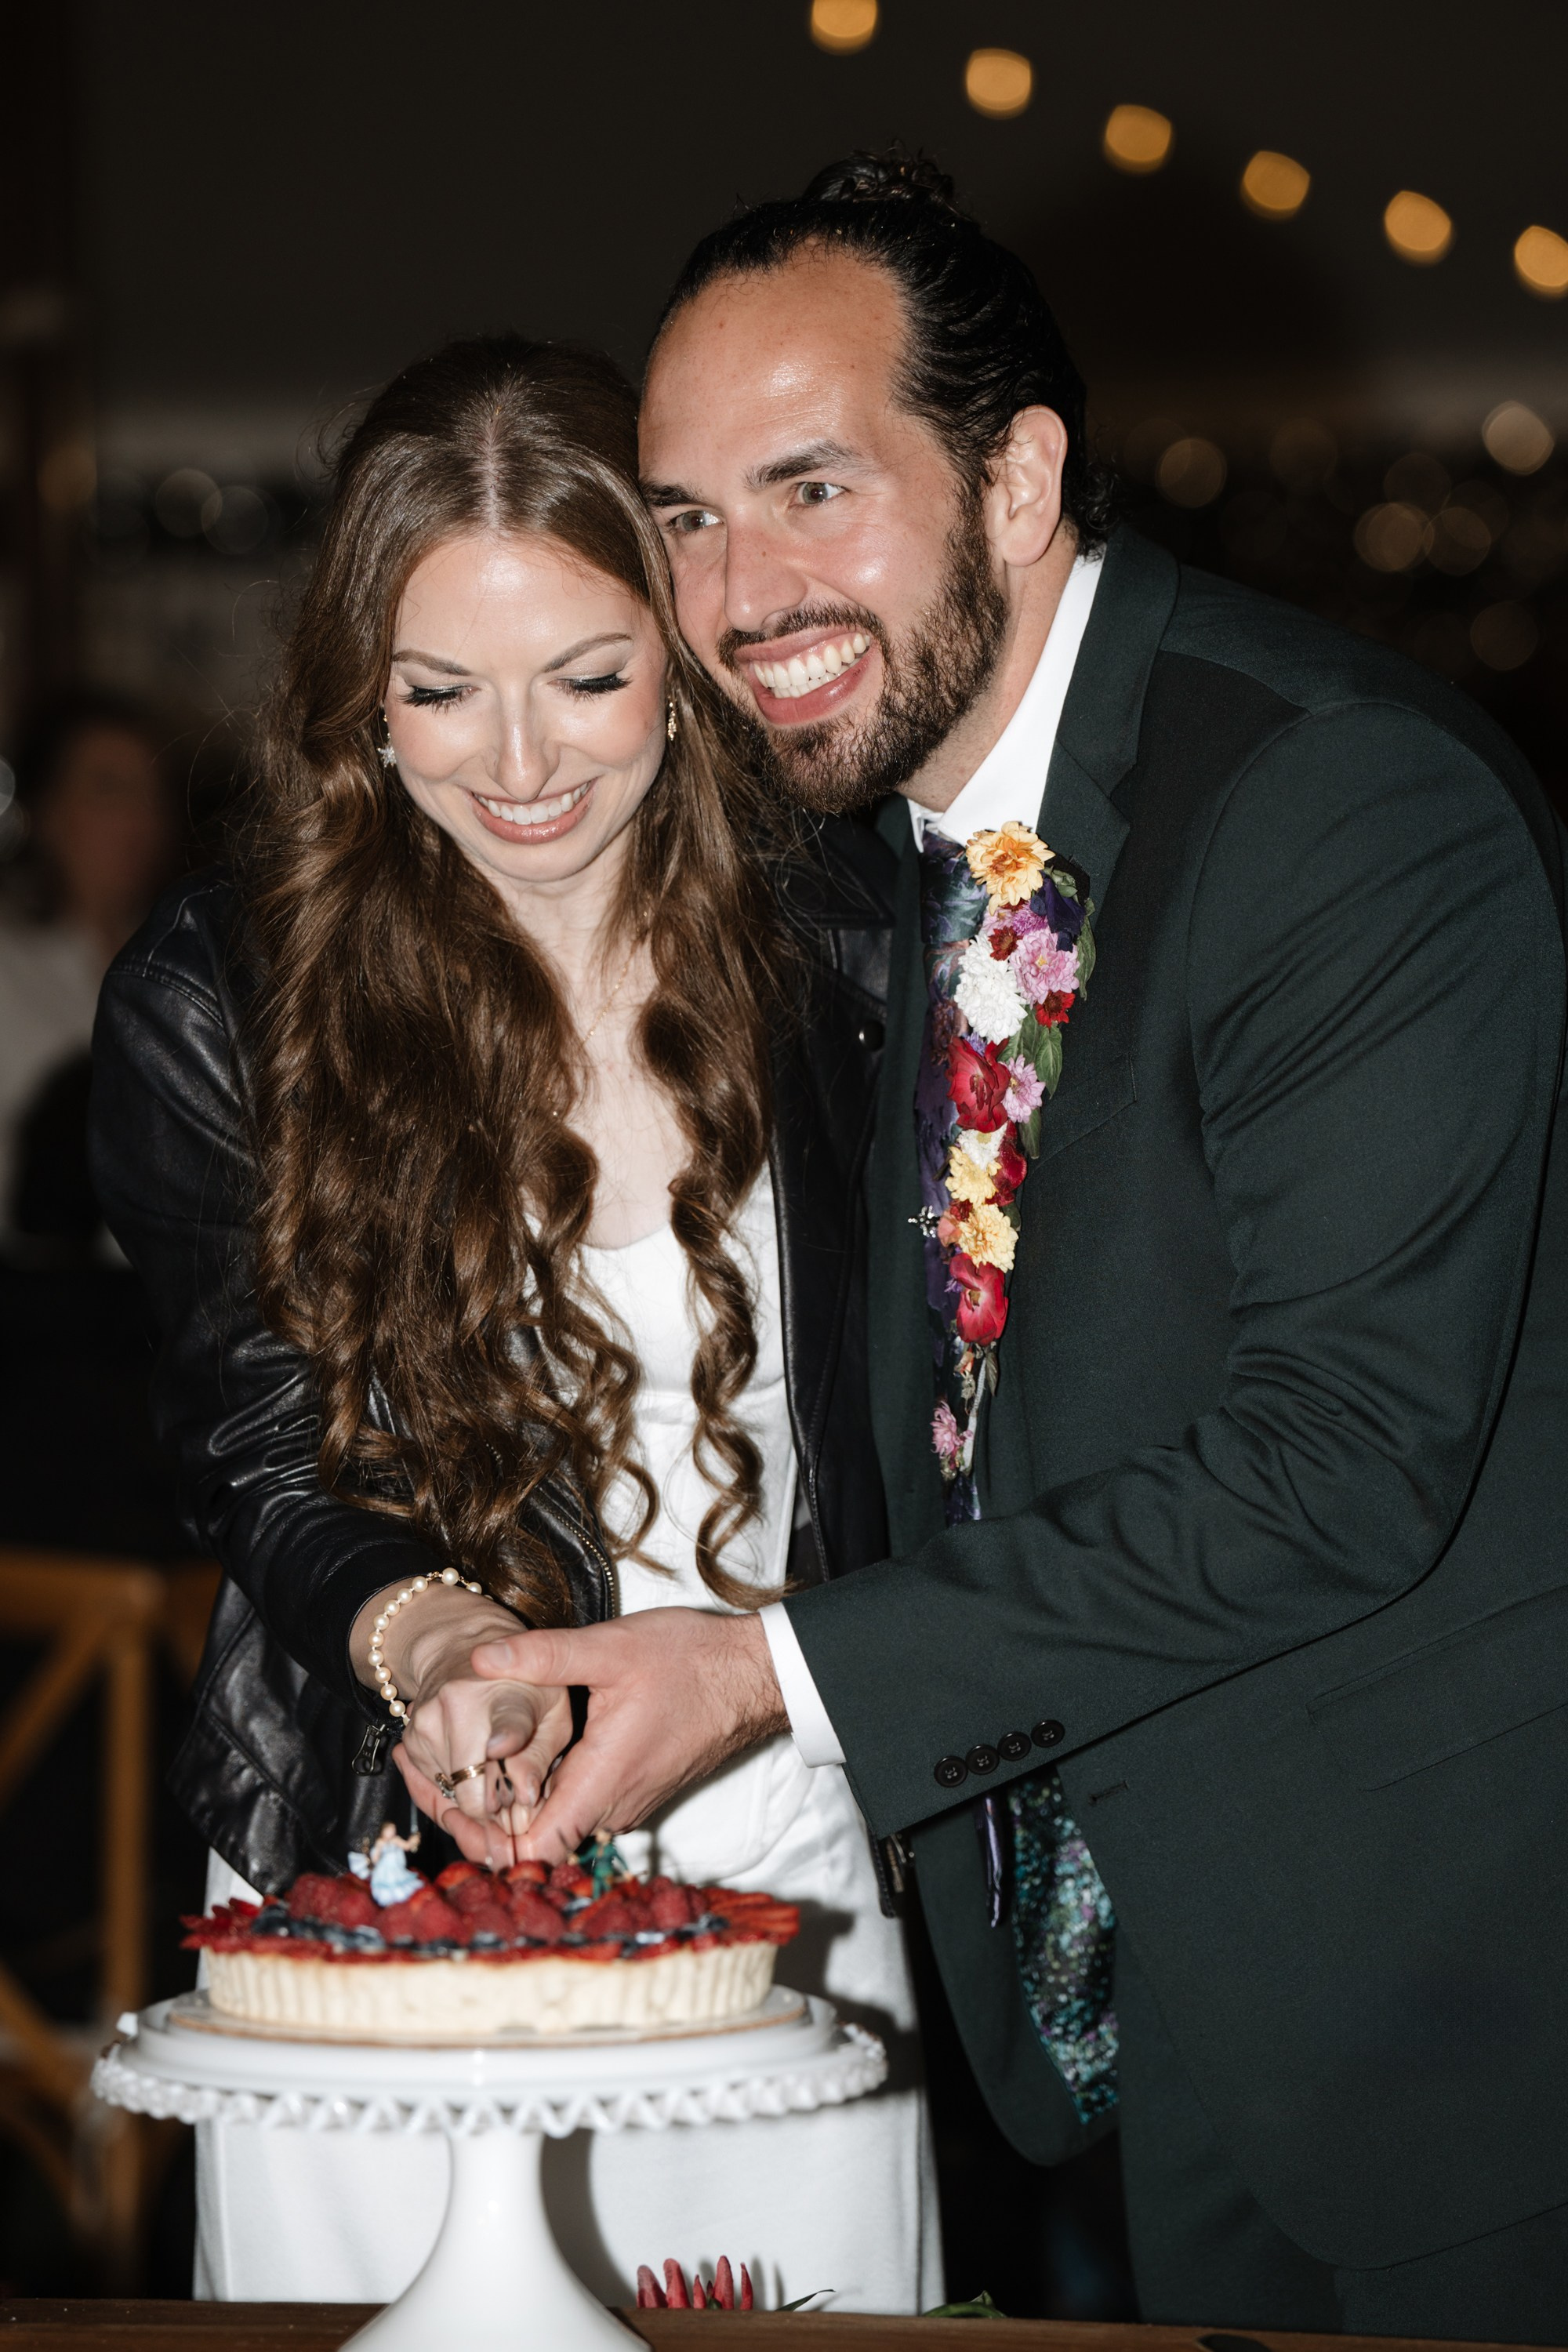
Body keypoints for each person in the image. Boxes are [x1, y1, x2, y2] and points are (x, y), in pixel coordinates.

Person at [477, 154, 1568, 2342]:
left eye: (810, 488)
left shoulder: (1343, 810)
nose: (738, 589)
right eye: (685, 518)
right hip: (1146, 1988)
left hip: (1441, 2008)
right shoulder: (896, 854)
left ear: (1017, 476)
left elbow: (1338, 1461)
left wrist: (766, 1672)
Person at [89, 336, 941, 2312]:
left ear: (686, 645)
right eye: (439, 693)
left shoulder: (849, 944)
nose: (522, 762)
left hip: (782, 1850)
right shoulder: (225, 991)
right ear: (355, 698)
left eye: (587, 676)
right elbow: (257, 1440)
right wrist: (444, 1640)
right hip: (384, 1867)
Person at [0, 691, 175, 1250]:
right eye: (108, 790)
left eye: (152, 795)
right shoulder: (10, 969)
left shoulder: (188, 971)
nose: (138, 819)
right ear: (47, 812)